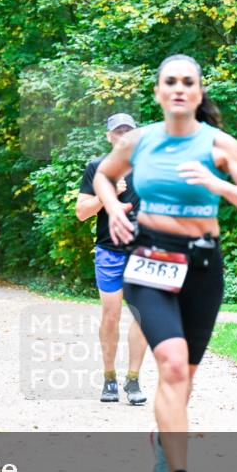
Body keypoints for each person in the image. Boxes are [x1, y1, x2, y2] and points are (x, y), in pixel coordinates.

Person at [93, 55, 237, 472]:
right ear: (158, 92)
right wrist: (112, 207)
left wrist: (218, 184)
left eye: (187, 82)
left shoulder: (219, 145)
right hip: (150, 261)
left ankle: (163, 440)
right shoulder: (139, 141)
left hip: (202, 267)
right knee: (172, 365)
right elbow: (103, 175)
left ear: (198, 92)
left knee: (184, 379)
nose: (178, 88)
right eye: (170, 81)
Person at [76, 113, 148, 405]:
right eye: (118, 131)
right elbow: (82, 212)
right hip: (109, 251)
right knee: (111, 315)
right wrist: (107, 196)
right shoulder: (97, 168)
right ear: (109, 136)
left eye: (128, 131)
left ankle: (133, 379)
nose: (123, 136)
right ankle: (109, 379)